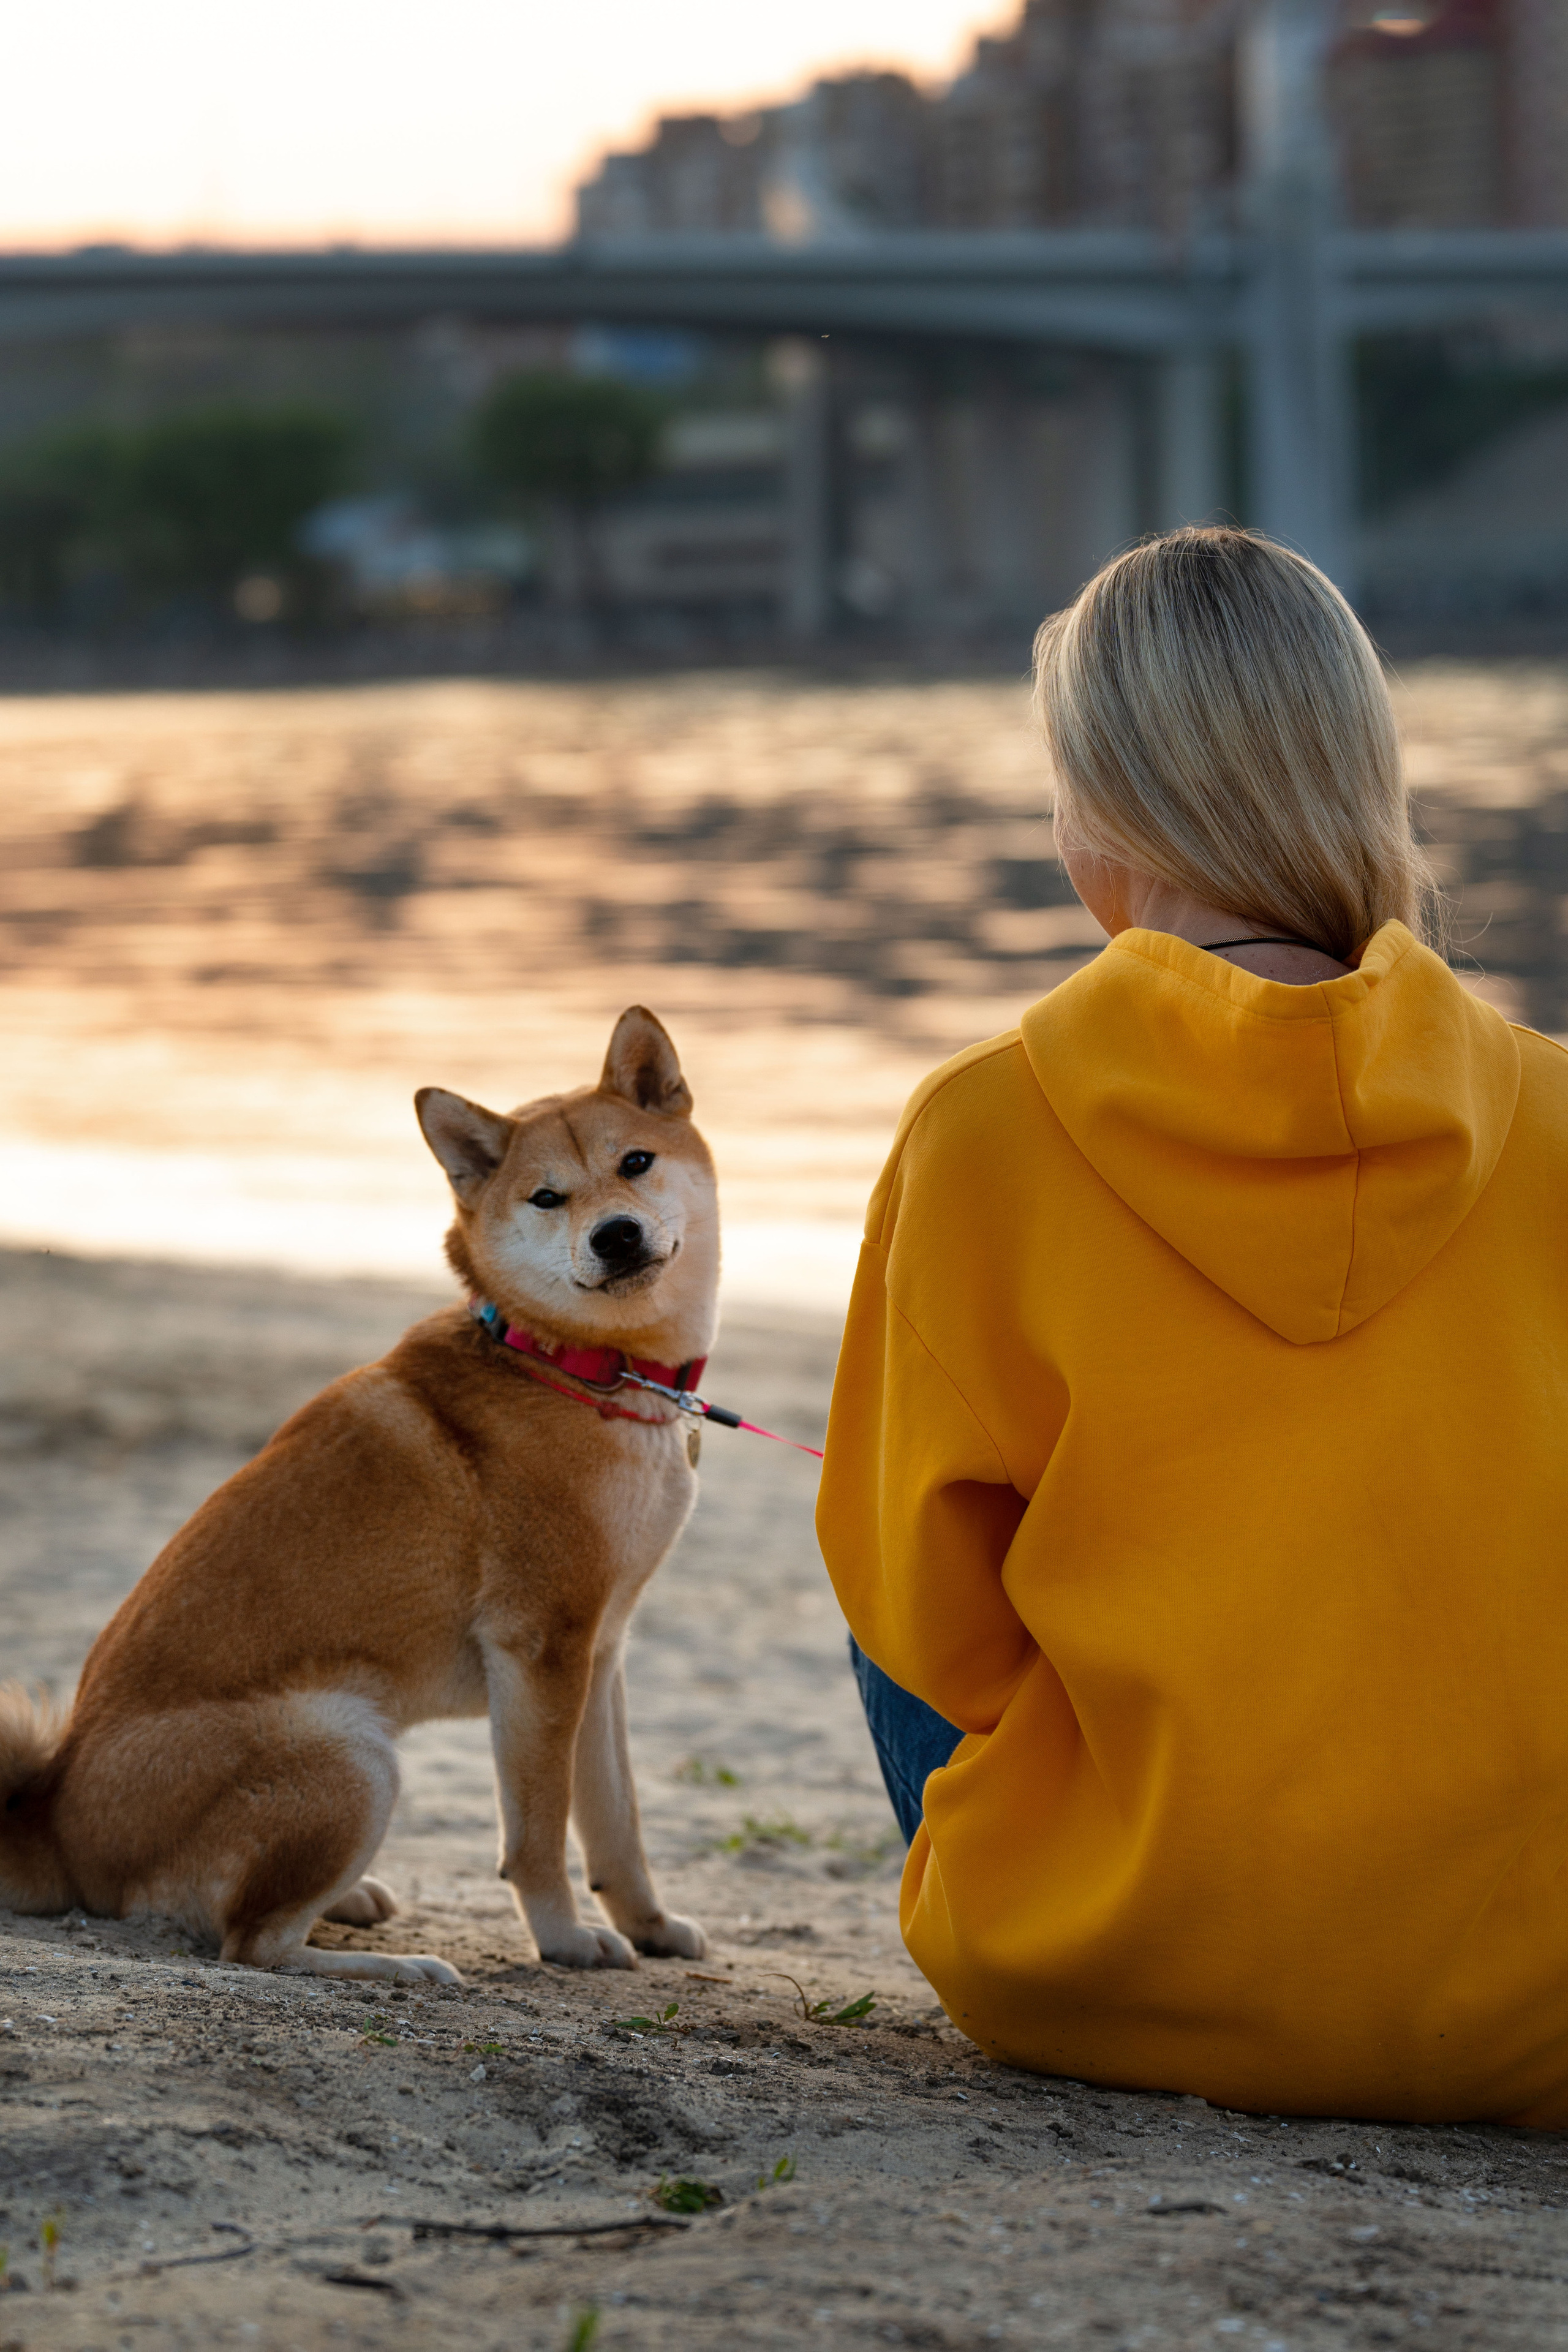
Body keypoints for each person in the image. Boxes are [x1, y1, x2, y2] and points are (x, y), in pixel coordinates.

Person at [816, 526, 1568, 2125]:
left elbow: (926, 1622)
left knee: (900, 1512)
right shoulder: (1558, 1120)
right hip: (1535, 2008)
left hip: (1113, 1973)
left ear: (1100, 813)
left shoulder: (983, 1131)